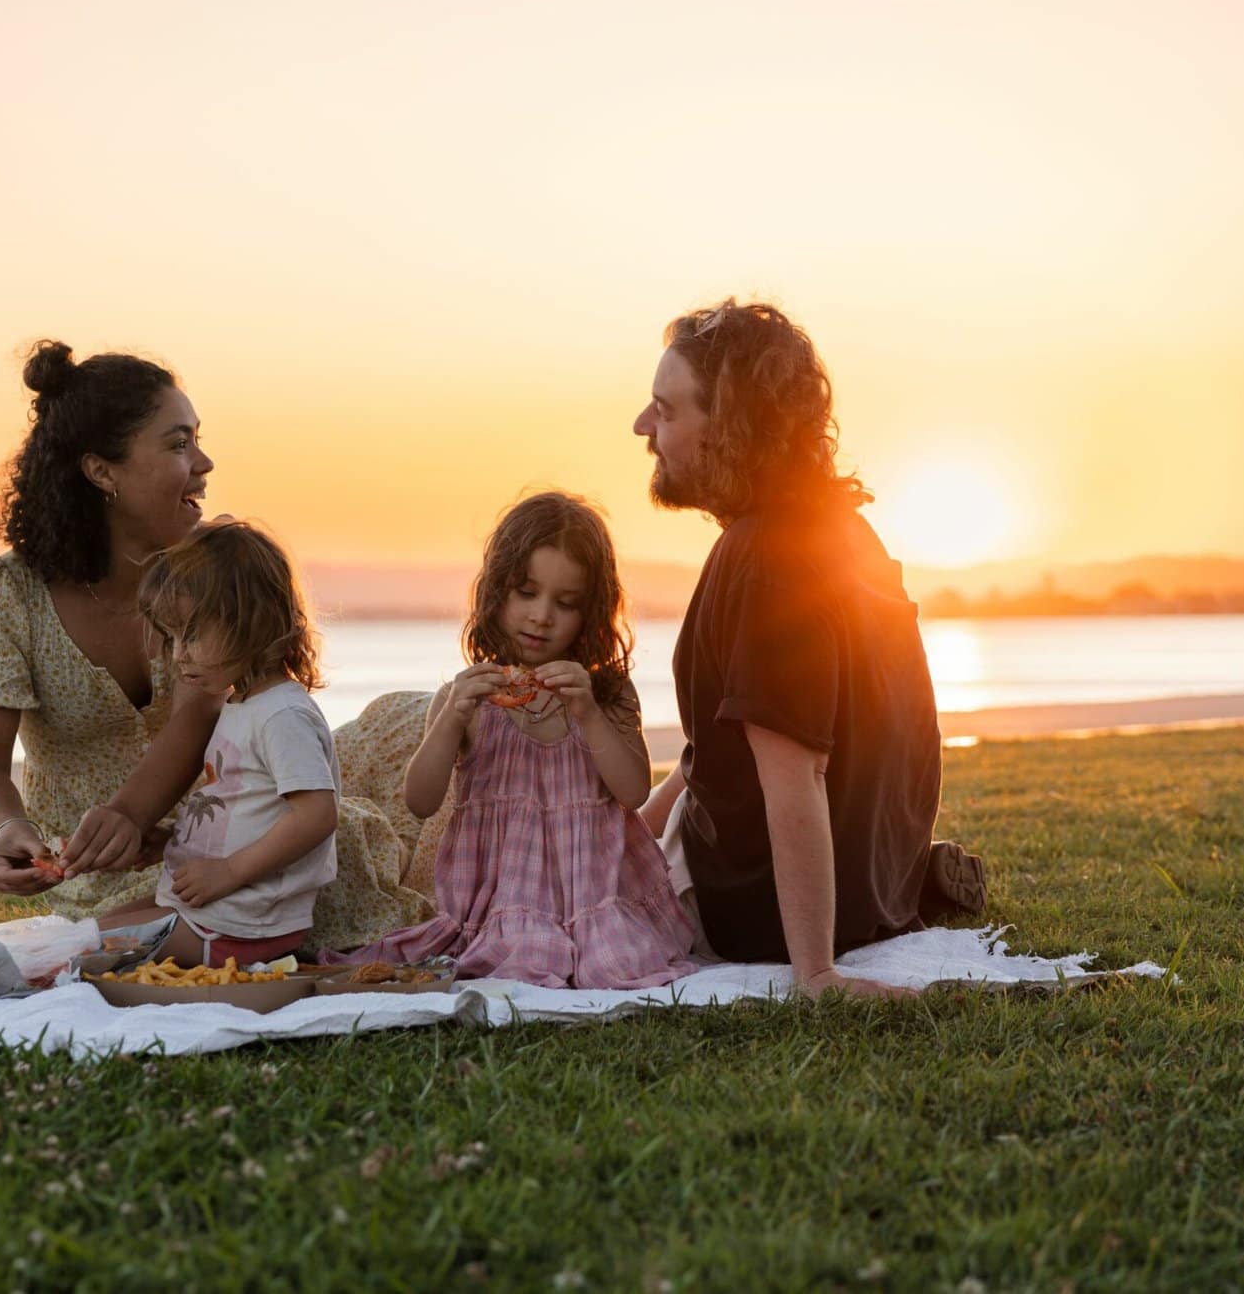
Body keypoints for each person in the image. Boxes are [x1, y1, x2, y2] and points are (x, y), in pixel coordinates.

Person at [0, 341, 428, 949]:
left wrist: (132, 813)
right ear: (102, 471)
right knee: (151, 926)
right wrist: (8, 826)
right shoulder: (2, 594)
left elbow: (203, 713)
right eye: (178, 444)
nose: (205, 462)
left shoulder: (214, 571)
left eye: (196, 439)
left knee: (420, 719)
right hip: (97, 864)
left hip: (234, 827)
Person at [632, 299, 986, 1001]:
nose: (644, 426)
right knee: (602, 830)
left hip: (746, 906)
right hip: (878, 888)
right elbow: (722, 754)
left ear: (726, 427)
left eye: (666, 410)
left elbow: (797, 771)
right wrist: (627, 831)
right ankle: (915, 877)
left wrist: (815, 973)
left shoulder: (765, 559)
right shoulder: (849, 533)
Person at [328, 493, 696, 988]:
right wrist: (449, 720)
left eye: (565, 604)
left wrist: (587, 713)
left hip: (594, 899)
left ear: (591, 612)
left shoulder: (605, 694)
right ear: (497, 592)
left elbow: (632, 793)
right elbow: (419, 801)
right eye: (526, 593)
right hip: (503, 903)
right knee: (522, 956)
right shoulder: (470, 700)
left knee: (612, 964)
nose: (542, 616)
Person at [78, 520, 339, 967]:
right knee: (88, 931)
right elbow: (246, 807)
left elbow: (317, 814)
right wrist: (174, 842)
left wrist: (230, 871)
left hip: (240, 925)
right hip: (214, 912)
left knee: (80, 950)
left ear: (252, 622)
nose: (179, 655)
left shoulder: (282, 714)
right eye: (173, 637)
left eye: (192, 635)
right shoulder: (243, 704)